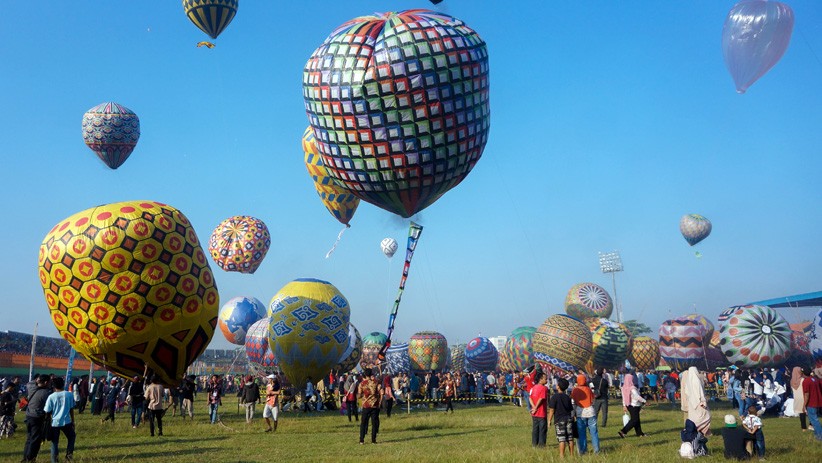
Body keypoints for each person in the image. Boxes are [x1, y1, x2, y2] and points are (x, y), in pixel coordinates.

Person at [43, 377, 75, 463]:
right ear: (63, 384)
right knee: (71, 437)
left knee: (54, 443)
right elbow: (71, 409)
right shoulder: (69, 394)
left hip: (54, 422)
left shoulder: (51, 396)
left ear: (53, 386)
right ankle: (69, 456)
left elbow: (47, 411)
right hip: (67, 421)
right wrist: (73, 421)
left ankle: (54, 460)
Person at [22, 375, 50, 462]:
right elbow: (48, 406)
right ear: (46, 382)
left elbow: (30, 382)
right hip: (37, 417)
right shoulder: (46, 393)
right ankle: (30, 458)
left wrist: (38, 380)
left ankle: (25, 457)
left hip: (29, 415)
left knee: (29, 437)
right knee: (35, 439)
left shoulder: (31, 387)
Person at [571, 374, 599, 454]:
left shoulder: (575, 390)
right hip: (590, 411)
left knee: (582, 433)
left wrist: (573, 414)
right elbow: (592, 400)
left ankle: (583, 450)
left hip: (580, 413)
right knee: (594, 433)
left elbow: (573, 402)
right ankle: (596, 450)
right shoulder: (588, 389)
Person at [547, 377, 574, 458]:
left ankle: (561, 456)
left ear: (558, 386)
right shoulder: (567, 397)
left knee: (562, 439)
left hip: (559, 420)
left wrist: (549, 420)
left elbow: (551, 410)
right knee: (570, 438)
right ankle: (572, 455)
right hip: (568, 418)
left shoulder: (554, 397)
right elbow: (570, 409)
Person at [683, 366, 712, 435]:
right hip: (699, 402)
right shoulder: (696, 380)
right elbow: (699, 391)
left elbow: (686, 391)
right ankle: (697, 429)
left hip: (692, 403)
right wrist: (702, 400)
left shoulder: (688, 381)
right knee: (706, 416)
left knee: (694, 417)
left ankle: (702, 431)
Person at [618, 374, 647, 438]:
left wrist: (624, 405)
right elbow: (637, 396)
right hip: (635, 405)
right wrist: (644, 401)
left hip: (629, 405)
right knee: (634, 420)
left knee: (636, 420)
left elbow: (623, 398)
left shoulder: (623, 388)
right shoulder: (632, 388)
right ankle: (623, 431)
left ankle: (639, 433)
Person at [358, 368, 382, 444]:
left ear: (364, 374)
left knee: (363, 423)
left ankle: (362, 440)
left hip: (365, 405)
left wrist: (361, 395)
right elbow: (380, 391)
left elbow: (359, 395)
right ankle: (373, 440)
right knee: (374, 423)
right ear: (371, 374)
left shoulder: (362, 384)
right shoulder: (376, 382)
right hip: (374, 405)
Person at [803, 367, 822, 441]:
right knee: (815, 419)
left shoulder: (806, 381)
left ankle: (820, 436)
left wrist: (804, 404)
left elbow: (806, 394)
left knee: (814, 420)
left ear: (803, 373)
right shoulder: (814, 379)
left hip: (811, 403)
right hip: (817, 401)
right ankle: (817, 435)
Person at [529, 372, 548, 448]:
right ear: (540, 379)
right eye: (545, 378)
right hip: (541, 412)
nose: (546, 380)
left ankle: (534, 444)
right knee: (542, 430)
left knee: (535, 429)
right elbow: (541, 398)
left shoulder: (533, 388)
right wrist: (536, 407)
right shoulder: (544, 388)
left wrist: (533, 407)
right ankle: (541, 445)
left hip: (534, 413)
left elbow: (530, 398)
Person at [790, 367, 807, 431]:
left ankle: (803, 427)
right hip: (803, 396)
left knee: (801, 412)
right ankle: (810, 425)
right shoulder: (803, 380)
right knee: (807, 412)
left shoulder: (792, 381)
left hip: (796, 398)